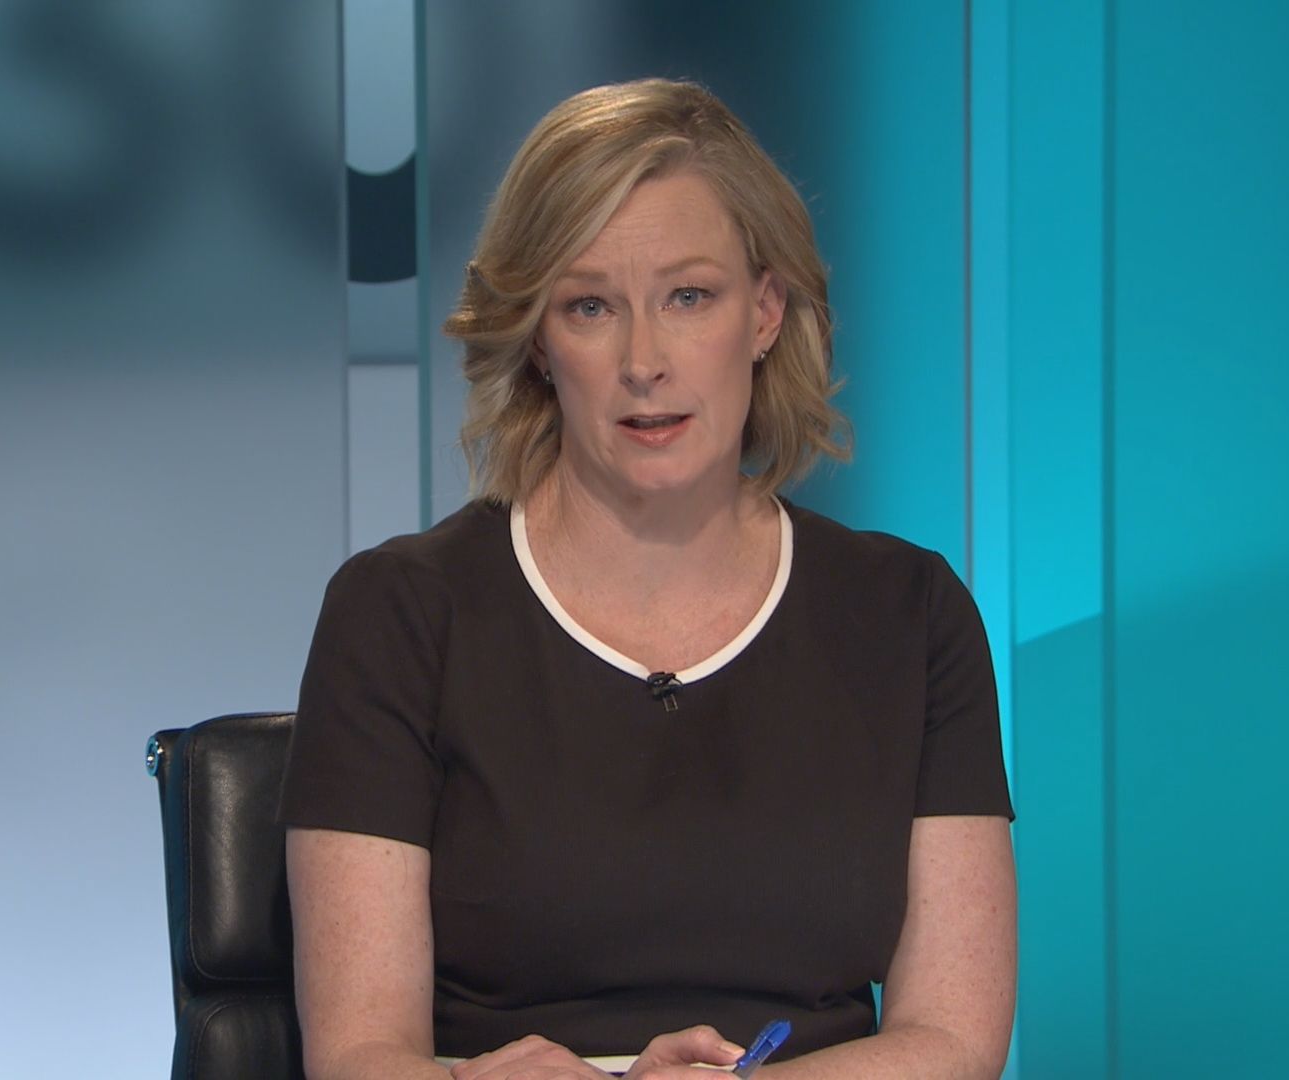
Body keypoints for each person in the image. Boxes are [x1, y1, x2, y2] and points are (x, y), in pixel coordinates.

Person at [278, 77, 1016, 1080]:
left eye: (689, 297)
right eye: (589, 306)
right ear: (540, 342)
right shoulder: (401, 614)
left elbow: (954, 1041)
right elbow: (358, 1056)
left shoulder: (908, 614)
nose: (644, 361)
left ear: (766, 312)